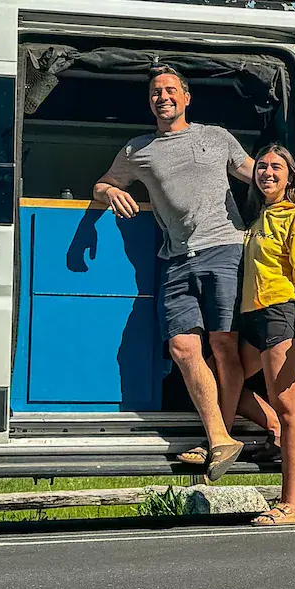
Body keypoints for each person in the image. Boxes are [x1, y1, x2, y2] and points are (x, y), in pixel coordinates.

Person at [93, 64, 255, 479]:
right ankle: (221, 438)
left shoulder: (216, 137)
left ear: (186, 98)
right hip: (177, 259)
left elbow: (258, 174)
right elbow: (102, 183)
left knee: (223, 346)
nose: (162, 97)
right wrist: (111, 192)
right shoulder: (138, 149)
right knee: (183, 348)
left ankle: (223, 436)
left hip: (224, 249)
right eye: (155, 92)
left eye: (169, 90)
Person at [234, 142, 295, 527]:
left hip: (280, 314)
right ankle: (271, 427)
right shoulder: (259, 216)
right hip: (251, 316)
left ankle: (292, 505)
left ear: (290, 177)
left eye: (276, 167)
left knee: (291, 411)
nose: (267, 173)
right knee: (225, 381)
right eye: (261, 167)